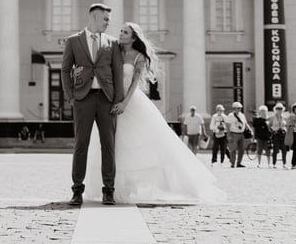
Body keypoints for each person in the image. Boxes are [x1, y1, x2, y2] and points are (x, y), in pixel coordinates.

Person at [83, 22, 223, 204]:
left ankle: (128, 187)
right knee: (113, 145)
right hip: (110, 100)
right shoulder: (114, 51)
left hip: (130, 102)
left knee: (136, 144)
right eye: (121, 31)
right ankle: (115, 187)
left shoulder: (138, 56)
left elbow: (135, 82)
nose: (121, 34)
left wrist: (125, 103)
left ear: (133, 37)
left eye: (125, 32)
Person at [62, 3, 124, 206]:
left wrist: (118, 99)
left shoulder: (112, 43)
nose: (108, 23)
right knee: (81, 144)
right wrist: (70, 96)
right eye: (105, 19)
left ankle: (109, 191)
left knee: (109, 145)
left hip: (107, 99)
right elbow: (65, 70)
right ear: (94, 17)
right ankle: (77, 190)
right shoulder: (73, 41)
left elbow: (117, 73)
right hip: (83, 98)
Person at [225, 101, 249, 168]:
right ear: (234, 108)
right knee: (233, 149)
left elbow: (245, 123)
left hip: (241, 134)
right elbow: (227, 126)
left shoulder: (242, 115)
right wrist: (229, 135)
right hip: (234, 134)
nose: (239, 109)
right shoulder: (230, 116)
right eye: (238, 108)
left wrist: (249, 129)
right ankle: (232, 163)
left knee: (241, 149)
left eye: (240, 108)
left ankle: (239, 163)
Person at [268, 103, 288, 168]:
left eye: (281, 109)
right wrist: (272, 131)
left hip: (283, 134)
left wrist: (285, 130)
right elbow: (269, 126)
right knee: (275, 149)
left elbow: (287, 125)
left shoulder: (285, 117)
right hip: (276, 134)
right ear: (275, 109)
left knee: (284, 149)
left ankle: (284, 164)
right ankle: (274, 164)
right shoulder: (272, 117)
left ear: (282, 110)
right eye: (278, 108)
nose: (279, 110)